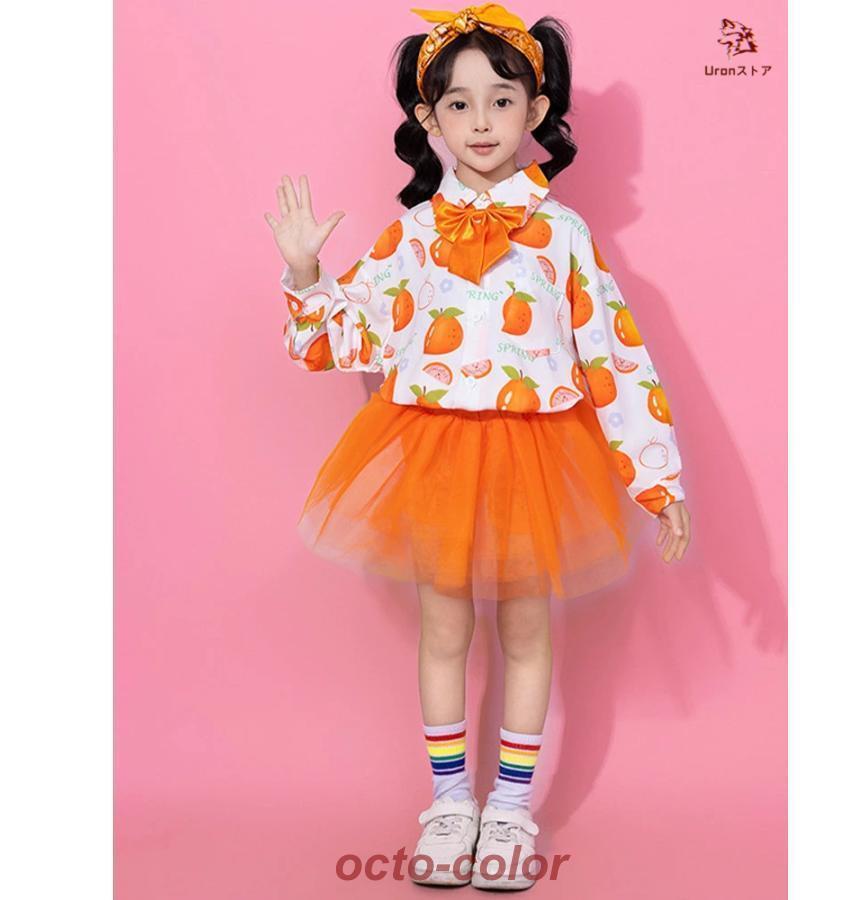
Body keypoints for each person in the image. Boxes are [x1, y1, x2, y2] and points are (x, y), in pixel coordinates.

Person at [264, 3, 692, 890]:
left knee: (528, 628)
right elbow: (340, 342)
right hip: (438, 455)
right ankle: (451, 802)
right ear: (429, 118)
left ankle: (511, 809)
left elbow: (614, 355)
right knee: (445, 628)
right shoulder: (415, 234)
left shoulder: (563, 235)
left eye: (502, 100)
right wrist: (306, 274)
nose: (483, 121)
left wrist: (658, 480)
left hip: (538, 458)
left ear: (536, 110)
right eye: (459, 104)